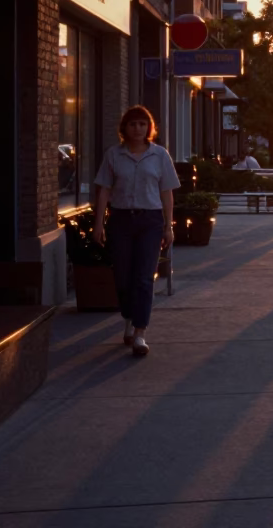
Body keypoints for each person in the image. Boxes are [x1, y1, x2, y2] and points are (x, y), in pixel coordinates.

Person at [92, 106, 180, 358]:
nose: (138, 128)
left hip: (150, 221)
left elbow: (166, 192)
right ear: (125, 128)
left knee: (143, 277)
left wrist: (168, 225)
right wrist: (99, 224)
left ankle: (140, 332)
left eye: (143, 124)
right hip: (121, 220)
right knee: (122, 276)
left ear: (150, 128)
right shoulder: (113, 155)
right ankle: (129, 317)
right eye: (133, 124)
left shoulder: (160, 155)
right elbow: (104, 190)